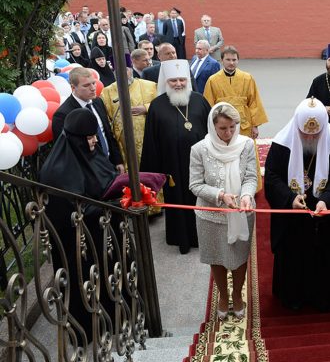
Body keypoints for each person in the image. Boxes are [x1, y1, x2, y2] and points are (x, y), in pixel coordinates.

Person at [40, 108, 118, 338]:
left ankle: (114, 316)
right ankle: (87, 330)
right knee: (84, 285)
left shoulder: (91, 154)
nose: (95, 141)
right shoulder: (56, 170)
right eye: (90, 137)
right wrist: (108, 205)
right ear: (76, 139)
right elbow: (70, 210)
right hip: (78, 244)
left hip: (103, 234)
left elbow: (108, 177)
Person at [265, 98, 330, 311]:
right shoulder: (282, 144)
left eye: (315, 133)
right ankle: (293, 297)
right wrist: (289, 198)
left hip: (323, 214)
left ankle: (323, 297)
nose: (311, 137)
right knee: (294, 257)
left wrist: (326, 199)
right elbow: (272, 177)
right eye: (305, 133)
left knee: (325, 256)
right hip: (293, 214)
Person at [189, 103, 257, 320]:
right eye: (223, 129)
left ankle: (237, 295)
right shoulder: (199, 149)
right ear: (213, 126)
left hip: (241, 211)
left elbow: (250, 177)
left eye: (232, 127)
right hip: (211, 215)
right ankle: (223, 295)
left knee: (239, 256)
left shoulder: (246, 144)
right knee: (216, 257)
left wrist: (246, 195)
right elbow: (195, 185)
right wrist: (220, 195)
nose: (228, 133)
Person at [140, 60, 211, 254]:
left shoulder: (199, 100)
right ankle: (181, 239)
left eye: (182, 79)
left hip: (200, 165)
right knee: (178, 202)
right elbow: (151, 142)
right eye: (173, 80)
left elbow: (213, 132)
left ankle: (203, 236)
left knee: (200, 200)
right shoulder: (156, 106)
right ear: (166, 81)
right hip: (172, 167)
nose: (178, 84)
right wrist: (151, 177)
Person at [52, 67, 124, 174]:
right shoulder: (63, 114)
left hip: (110, 165)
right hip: (89, 171)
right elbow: (67, 151)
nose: (93, 88)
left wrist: (118, 160)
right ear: (73, 87)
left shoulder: (98, 102)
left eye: (93, 83)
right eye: (86, 85)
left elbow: (107, 132)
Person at [202, 46, 268, 139]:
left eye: (234, 60)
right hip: (222, 125)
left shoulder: (247, 78)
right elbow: (208, 105)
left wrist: (255, 126)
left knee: (244, 150)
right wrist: (211, 126)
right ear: (222, 60)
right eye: (228, 59)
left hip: (244, 124)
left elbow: (254, 102)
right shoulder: (213, 80)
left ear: (238, 60)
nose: (231, 63)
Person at [100, 66, 157, 170]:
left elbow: (161, 105)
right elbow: (106, 119)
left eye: (125, 69)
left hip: (149, 139)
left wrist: (146, 108)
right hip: (124, 144)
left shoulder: (150, 86)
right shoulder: (107, 92)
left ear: (131, 69)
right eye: (117, 70)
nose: (122, 73)